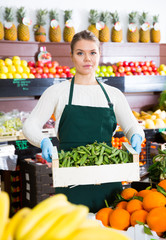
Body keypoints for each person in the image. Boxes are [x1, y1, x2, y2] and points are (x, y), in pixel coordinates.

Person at [23, 30, 145, 212]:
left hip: (107, 176)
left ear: (99, 55)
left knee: (109, 228)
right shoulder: (57, 92)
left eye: (92, 53)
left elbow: (132, 125)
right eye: (80, 53)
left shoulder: (113, 94)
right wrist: (43, 141)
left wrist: (136, 135)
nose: (87, 58)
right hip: (70, 176)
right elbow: (29, 125)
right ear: (71, 56)